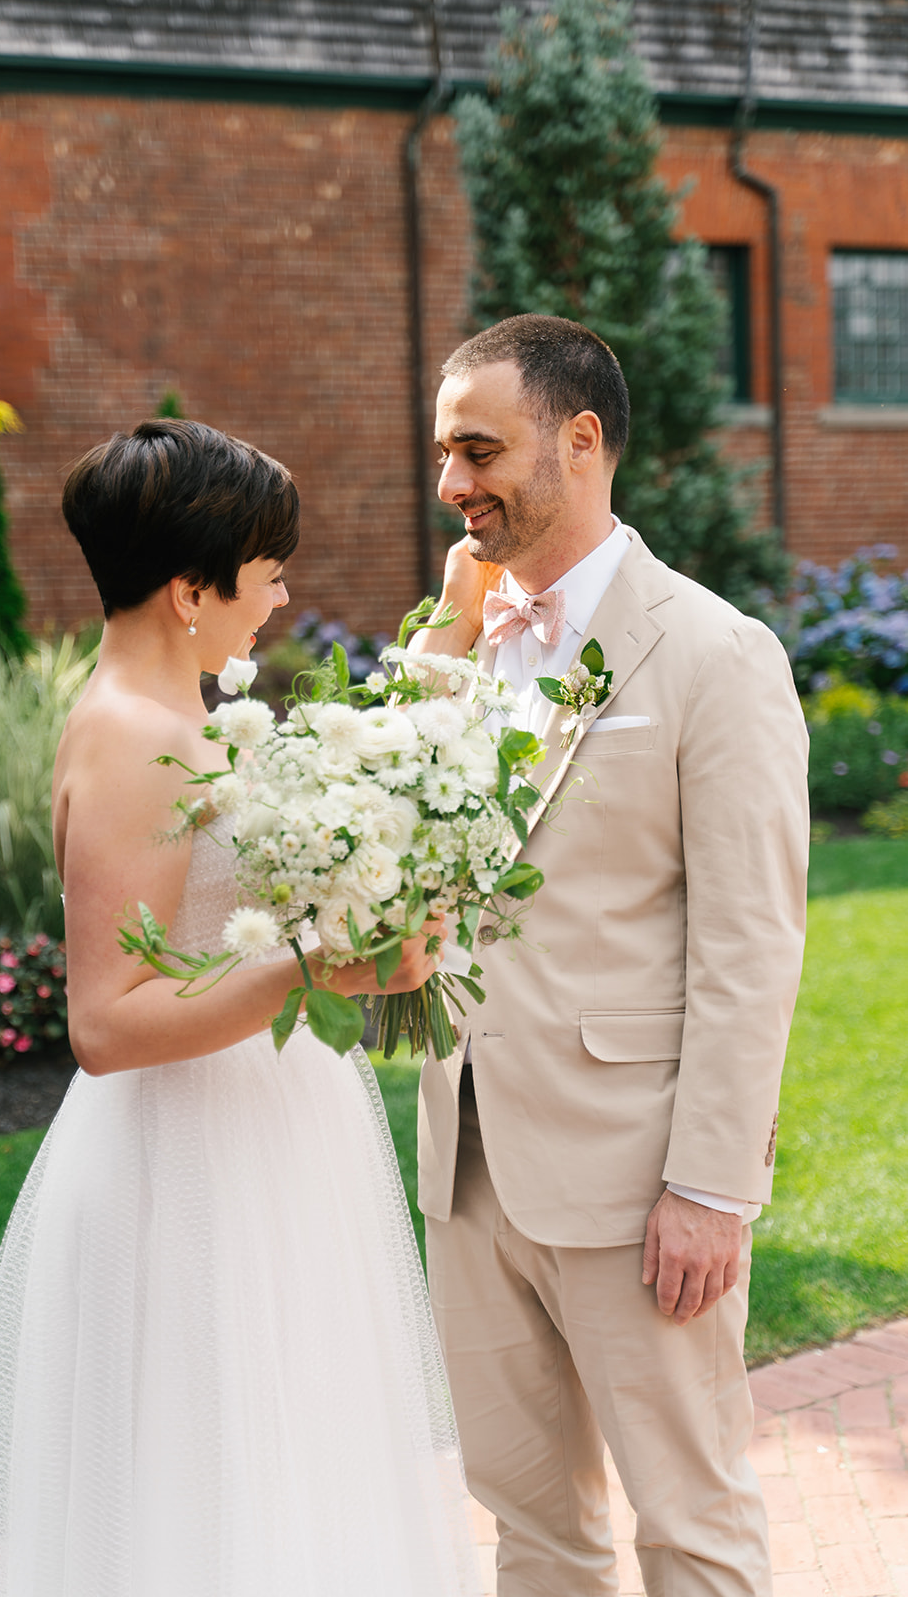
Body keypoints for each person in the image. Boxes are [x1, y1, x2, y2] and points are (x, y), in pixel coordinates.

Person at [0, 419, 479, 1597]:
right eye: (268, 571)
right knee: (204, 1489)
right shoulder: (133, 739)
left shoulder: (184, 713)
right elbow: (106, 1024)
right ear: (190, 589)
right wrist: (309, 968)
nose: (281, 598)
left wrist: (443, 641)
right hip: (187, 1170)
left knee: (288, 1477)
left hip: (265, 1138)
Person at [410, 315, 809, 1597]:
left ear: (579, 441)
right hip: (465, 1162)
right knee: (531, 1529)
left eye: (479, 449)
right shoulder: (459, 651)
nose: (451, 484)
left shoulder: (713, 655)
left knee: (687, 1523)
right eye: (442, 453)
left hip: (638, 1184)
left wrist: (708, 1188)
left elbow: (752, 946)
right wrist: (436, 667)